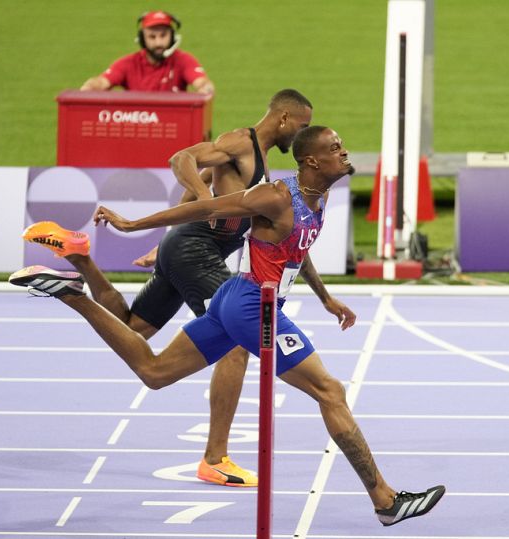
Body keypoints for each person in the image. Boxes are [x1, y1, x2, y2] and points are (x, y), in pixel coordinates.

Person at [10, 126, 445, 526]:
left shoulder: (319, 195)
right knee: (330, 391)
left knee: (155, 372)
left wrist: (325, 296)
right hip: (252, 304)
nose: (344, 152)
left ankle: (71, 294)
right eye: (335, 148)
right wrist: (132, 226)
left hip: (235, 299)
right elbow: (206, 207)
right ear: (312, 161)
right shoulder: (275, 196)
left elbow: (300, 246)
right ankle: (386, 501)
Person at [20, 90, 356, 488]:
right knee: (236, 341)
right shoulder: (241, 144)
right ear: (284, 119)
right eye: (301, 127)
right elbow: (182, 160)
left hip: (185, 246)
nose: (300, 138)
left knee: (136, 332)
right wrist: (198, 198)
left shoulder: (272, 177)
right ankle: (216, 457)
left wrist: (324, 296)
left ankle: (79, 261)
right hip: (197, 249)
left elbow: (294, 246)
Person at [81, 10, 215, 97]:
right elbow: (102, 82)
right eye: (152, 36)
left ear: (172, 36)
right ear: (142, 39)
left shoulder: (183, 60)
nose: (158, 43)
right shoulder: (128, 63)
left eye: (163, 35)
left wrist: (206, 88)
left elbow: (202, 82)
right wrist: (90, 86)